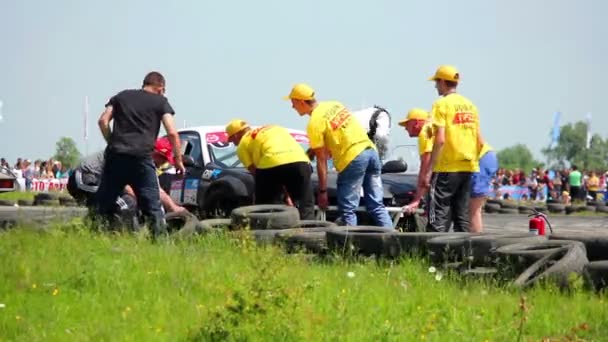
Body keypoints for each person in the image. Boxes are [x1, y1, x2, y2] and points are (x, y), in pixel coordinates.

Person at [284, 83, 393, 228]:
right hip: (371, 152)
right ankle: (394, 242)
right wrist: (311, 152)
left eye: (293, 103)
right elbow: (340, 132)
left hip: (353, 158)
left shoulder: (314, 123)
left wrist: (322, 192)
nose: (292, 107)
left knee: (348, 210)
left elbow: (322, 161)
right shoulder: (335, 105)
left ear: (301, 102)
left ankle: (349, 247)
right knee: (376, 205)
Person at [96, 71, 184, 238]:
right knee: (152, 205)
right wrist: (178, 160)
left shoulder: (121, 97)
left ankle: (96, 234)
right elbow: (172, 132)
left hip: (116, 156)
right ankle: (158, 243)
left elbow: (103, 121)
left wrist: (111, 141)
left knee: (104, 202)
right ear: (161, 88)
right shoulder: (161, 101)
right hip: (141, 158)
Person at [424, 65, 481, 233]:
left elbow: (440, 139)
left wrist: (430, 170)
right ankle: (463, 254)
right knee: (462, 215)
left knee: (438, 215)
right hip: (468, 166)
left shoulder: (441, 104)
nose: (435, 86)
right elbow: (478, 138)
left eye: (436, 82)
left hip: (447, 167)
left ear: (442, 82)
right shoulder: (470, 105)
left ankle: (434, 254)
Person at [225, 119, 315, 220]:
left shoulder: (242, 145)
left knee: (266, 207)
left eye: (232, 140)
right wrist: (287, 195)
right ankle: (310, 230)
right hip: (301, 161)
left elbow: (255, 173)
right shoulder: (274, 127)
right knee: (305, 204)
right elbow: (286, 160)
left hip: (271, 163)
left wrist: (283, 195)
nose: (234, 143)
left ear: (236, 135)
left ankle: (267, 231)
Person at [399, 108, 433, 215]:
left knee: (435, 216)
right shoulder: (433, 128)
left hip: (446, 173)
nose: (405, 129)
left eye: (407, 124)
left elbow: (426, 165)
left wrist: (417, 199)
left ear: (416, 123)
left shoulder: (425, 133)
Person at [469, 140, 498, 233]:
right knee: (473, 209)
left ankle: (475, 244)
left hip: (480, 157)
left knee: (474, 209)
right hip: (484, 156)